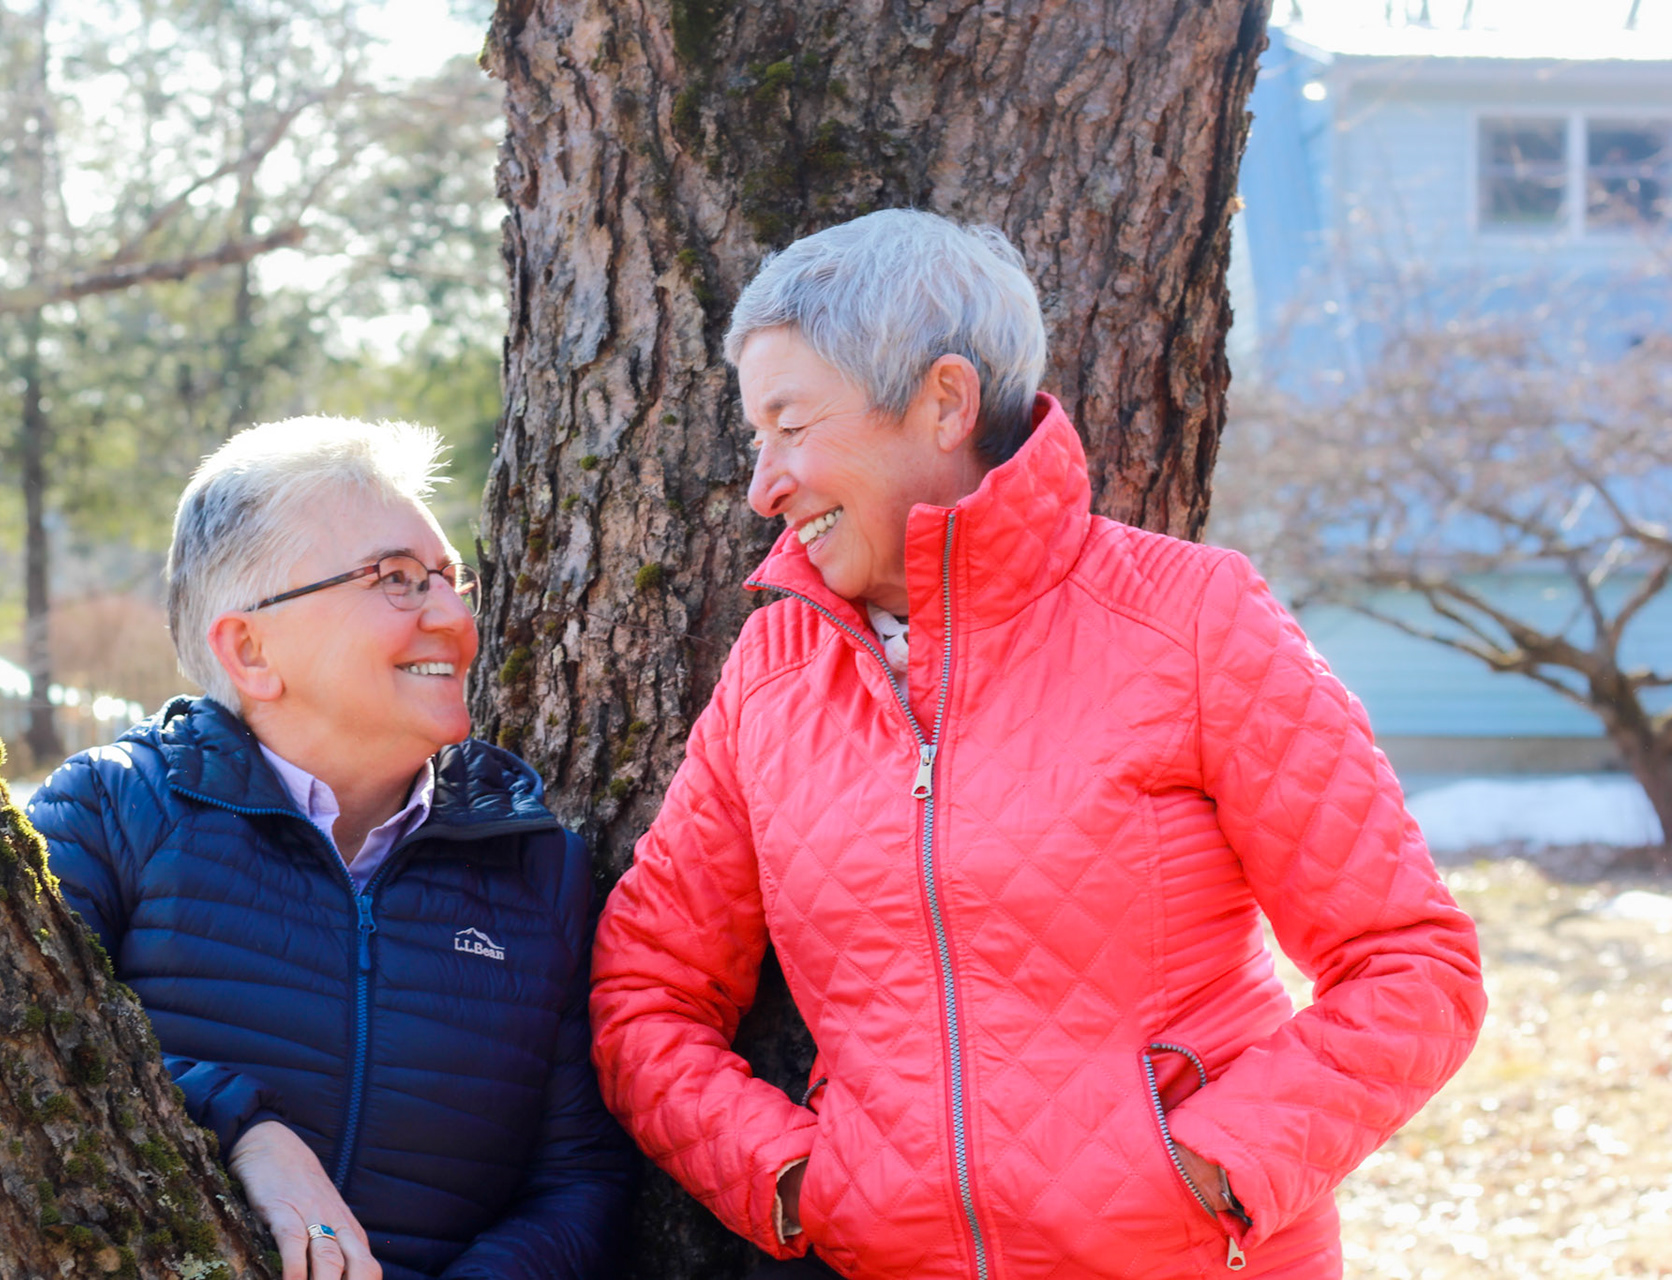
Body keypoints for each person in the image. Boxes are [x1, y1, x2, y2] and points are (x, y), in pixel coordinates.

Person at [588, 210, 1487, 1280]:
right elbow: (645, 993)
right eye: (756, 438)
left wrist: (1210, 1169)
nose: (761, 485)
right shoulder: (774, 674)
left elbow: (1412, 966)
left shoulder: (1193, 618)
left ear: (946, 402)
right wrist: (799, 1180)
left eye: (791, 426)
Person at [29, 418, 630, 1280]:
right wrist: (247, 1130)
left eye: (450, 580)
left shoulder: (539, 873)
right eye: (395, 579)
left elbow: (581, 1179)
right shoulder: (111, 808)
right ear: (250, 649)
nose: (456, 617)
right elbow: (11, 1044)